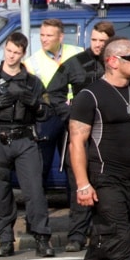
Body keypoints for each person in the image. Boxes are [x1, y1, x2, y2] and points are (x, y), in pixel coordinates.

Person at [66, 37, 130, 260]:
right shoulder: (90, 96)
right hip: (106, 180)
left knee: (104, 241)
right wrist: (83, 184)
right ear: (113, 61)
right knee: (118, 241)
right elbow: (77, 142)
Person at [0, 32, 54, 258]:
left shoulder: (33, 83)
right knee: (0, 192)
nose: (11, 56)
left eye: (16, 52)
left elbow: (47, 112)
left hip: (25, 139)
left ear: (23, 53)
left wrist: (34, 104)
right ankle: (5, 240)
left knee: (34, 191)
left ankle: (42, 238)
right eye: (8, 51)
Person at [47, 20, 115, 252]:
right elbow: (53, 91)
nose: (97, 44)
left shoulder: (117, 63)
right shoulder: (75, 63)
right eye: (94, 39)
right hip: (80, 136)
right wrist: (69, 116)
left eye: (102, 41)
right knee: (79, 184)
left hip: (109, 135)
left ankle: (103, 234)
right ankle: (76, 236)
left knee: (108, 188)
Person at [25, 18, 83, 191]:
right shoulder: (32, 63)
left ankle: (76, 205)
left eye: (49, 35)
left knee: (74, 164)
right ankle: (37, 206)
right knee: (42, 164)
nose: (44, 39)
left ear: (61, 37)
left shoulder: (78, 53)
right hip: (48, 117)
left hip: (74, 114)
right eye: (42, 35)